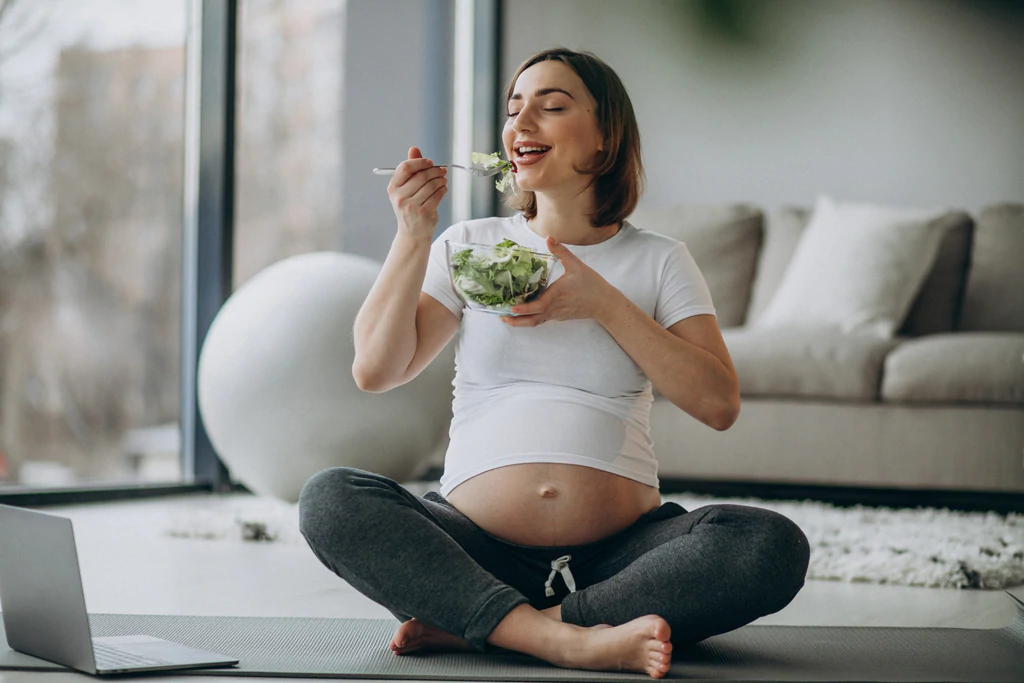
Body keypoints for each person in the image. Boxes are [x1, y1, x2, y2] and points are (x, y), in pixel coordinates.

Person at [298, 47, 809, 679]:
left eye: (552, 105)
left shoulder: (660, 260)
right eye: (514, 109)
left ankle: (497, 625)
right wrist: (412, 234)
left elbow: (718, 404)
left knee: (770, 544)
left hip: (620, 556)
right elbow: (375, 369)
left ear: (604, 139)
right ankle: (566, 639)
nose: (520, 123)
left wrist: (602, 301)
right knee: (330, 498)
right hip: (474, 547)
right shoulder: (471, 245)